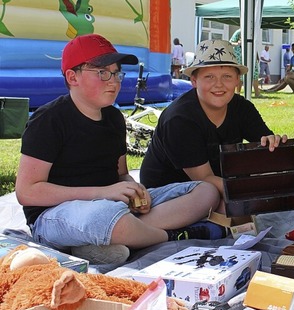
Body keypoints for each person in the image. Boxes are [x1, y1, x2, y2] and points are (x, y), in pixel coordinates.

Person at [15, 34, 222, 265]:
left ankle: (112, 240)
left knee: (206, 192)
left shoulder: (114, 117)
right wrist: (101, 194)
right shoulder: (49, 120)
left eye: (116, 72)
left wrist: (134, 189)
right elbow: (27, 192)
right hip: (56, 215)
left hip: (113, 206)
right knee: (105, 217)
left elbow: (121, 173)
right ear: (73, 77)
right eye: (102, 73)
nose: (114, 81)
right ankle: (172, 235)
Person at [140, 39, 287, 209]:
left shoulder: (242, 107)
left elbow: (264, 141)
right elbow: (204, 178)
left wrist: (273, 143)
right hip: (165, 193)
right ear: (194, 81)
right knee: (224, 202)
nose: (219, 84)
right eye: (209, 77)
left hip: (212, 184)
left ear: (237, 80)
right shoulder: (180, 119)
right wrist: (253, 191)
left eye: (227, 76)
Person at [229, 29, 243, 93]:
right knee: (236, 74)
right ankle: (234, 92)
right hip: (236, 56)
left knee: (241, 75)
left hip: (243, 56)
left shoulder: (250, 33)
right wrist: (237, 43)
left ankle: (238, 92)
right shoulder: (239, 32)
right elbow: (230, 42)